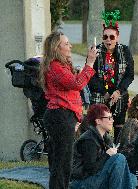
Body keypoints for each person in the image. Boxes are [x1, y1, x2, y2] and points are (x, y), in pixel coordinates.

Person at [39, 31, 98, 189]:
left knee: (61, 160)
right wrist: (90, 62)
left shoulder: (61, 65)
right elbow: (77, 84)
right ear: (56, 48)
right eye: (66, 44)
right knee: (62, 162)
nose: (70, 46)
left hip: (64, 115)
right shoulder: (55, 67)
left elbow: (72, 83)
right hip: (60, 116)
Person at [88, 10, 134, 142]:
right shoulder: (95, 51)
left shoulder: (125, 51)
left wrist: (118, 91)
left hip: (119, 94)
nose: (108, 40)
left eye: (112, 37)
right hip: (100, 94)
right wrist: (105, 92)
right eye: (105, 37)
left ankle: (117, 150)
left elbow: (129, 75)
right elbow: (91, 76)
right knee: (98, 124)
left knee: (119, 124)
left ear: (117, 37)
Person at [70, 104, 137, 189]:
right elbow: (90, 169)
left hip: (96, 178)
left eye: (112, 117)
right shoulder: (89, 140)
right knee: (119, 158)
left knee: (132, 177)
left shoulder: (106, 138)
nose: (112, 121)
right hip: (82, 182)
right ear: (98, 121)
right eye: (109, 118)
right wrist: (107, 155)